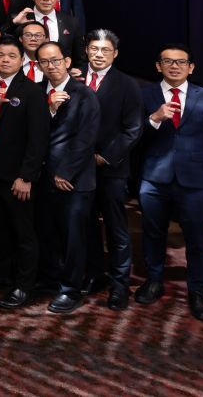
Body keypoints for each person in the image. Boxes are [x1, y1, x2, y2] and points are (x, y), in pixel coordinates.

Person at [135, 45, 203, 322]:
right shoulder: (145, 95)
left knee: (197, 238)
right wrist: (154, 118)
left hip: (195, 181)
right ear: (158, 66)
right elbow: (131, 136)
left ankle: (198, 291)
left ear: (191, 67)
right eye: (167, 61)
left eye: (180, 62)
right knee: (153, 233)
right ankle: (153, 281)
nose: (174, 66)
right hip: (154, 179)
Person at [0, 36, 48, 309]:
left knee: (23, 232)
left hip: (17, 176)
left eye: (11, 56)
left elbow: (38, 139)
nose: (5, 60)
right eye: (0, 55)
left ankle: (24, 286)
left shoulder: (31, 91)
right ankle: (3, 274)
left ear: (21, 60)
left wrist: (26, 176)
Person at [80, 29, 142, 310]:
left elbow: (133, 130)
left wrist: (105, 157)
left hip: (111, 169)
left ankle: (120, 285)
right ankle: (95, 275)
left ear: (114, 54)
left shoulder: (127, 84)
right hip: (79, 170)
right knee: (87, 226)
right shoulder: (75, 79)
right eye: (94, 49)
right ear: (86, 51)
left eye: (105, 50)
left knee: (117, 230)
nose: (99, 55)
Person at [36, 41, 99, 314]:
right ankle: (52, 279)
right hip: (43, 177)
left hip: (74, 179)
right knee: (47, 232)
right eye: (44, 62)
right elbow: (33, 134)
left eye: (55, 60)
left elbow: (86, 139)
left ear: (67, 61)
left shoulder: (84, 94)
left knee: (74, 236)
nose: (51, 66)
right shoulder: (37, 93)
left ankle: (70, 289)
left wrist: (66, 172)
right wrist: (48, 109)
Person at [12, 0, 85, 65]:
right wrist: (14, 24)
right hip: (27, 74)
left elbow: (80, 58)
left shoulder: (71, 22)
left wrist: (77, 71)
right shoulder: (20, 18)